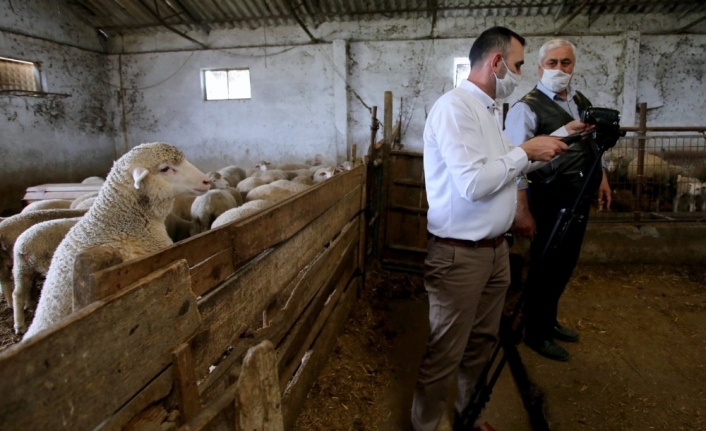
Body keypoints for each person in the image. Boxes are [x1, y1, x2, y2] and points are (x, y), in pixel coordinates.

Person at [412, 27, 569, 431]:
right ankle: (426, 425)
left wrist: (555, 140)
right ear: (497, 62)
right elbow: (473, 184)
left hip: (495, 252)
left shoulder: (488, 110)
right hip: (458, 255)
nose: (520, 73)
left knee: (482, 343)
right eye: (518, 65)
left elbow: (502, 170)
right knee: (446, 350)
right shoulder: (454, 109)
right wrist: (523, 151)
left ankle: (470, 413)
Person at [504, 39, 612, 362]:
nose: (559, 69)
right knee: (545, 265)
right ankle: (535, 333)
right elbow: (515, 162)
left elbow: (594, 144)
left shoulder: (580, 101)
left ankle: (548, 322)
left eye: (565, 63)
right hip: (547, 197)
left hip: (578, 195)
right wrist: (522, 209)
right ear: (539, 68)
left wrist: (601, 177)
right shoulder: (526, 107)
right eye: (552, 63)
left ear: (573, 66)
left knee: (565, 264)